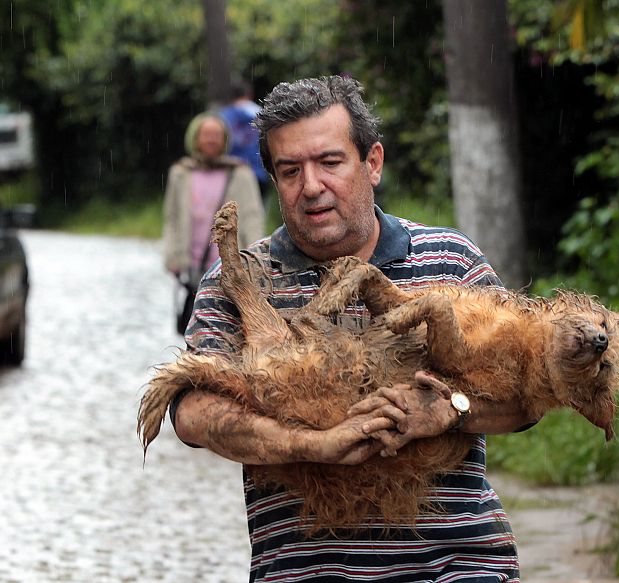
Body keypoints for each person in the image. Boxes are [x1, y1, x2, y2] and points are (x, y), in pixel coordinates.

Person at [167, 76, 537, 582]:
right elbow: (190, 413)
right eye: (290, 170)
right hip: (304, 571)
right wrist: (307, 444)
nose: (311, 186)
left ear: (373, 163)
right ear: (273, 180)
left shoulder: (451, 260)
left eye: (330, 162)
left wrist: (451, 411)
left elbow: (529, 396)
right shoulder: (238, 280)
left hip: (458, 567)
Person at [162, 112, 264, 332]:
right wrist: (172, 257)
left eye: (216, 135)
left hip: (229, 265)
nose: (211, 140)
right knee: (196, 325)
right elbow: (172, 218)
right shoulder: (181, 173)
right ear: (195, 138)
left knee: (229, 324)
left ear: (225, 139)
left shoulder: (240, 174)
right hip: (193, 265)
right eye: (206, 134)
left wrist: (255, 258)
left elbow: (252, 216)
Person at [219, 80, 271, 202]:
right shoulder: (261, 113)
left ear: (231, 96)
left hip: (230, 173)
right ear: (249, 94)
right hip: (258, 172)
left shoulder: (223, 116)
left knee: (230, 209)